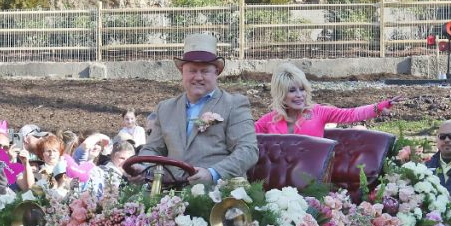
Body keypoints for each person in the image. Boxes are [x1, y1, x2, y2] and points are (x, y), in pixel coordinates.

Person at [139, 33, 258, 184]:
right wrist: (141, 167)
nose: (198, 77)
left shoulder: (234, 104)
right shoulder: (165, 108)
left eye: (205, 71)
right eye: (192, 70)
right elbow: (153, 150)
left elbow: (248, 150)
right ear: (182, 72)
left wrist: (213, 173)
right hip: (171, 193)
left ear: (216, 73)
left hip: (218, 195)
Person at [254, 63, 396, 136]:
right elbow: (244, 133)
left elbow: (351, 114)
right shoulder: (270, 119)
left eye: (302, 89)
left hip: (313, 180)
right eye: (292, 91)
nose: (299, 95)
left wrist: (380, 106)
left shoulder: (319, 112)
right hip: (279, 182)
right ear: (281, 95)